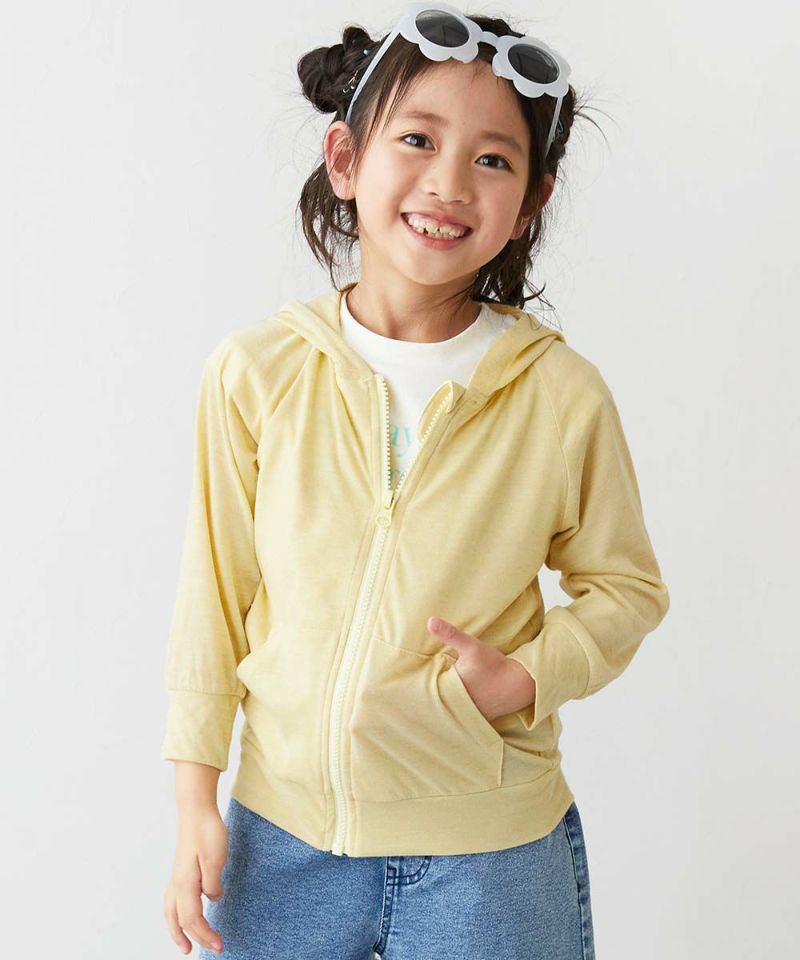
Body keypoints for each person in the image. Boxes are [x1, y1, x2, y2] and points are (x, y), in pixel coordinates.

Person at [160, 3, 670, 958]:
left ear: (530, 204)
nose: (449, 183)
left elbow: (627, 587)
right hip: (281, 842)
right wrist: (195, 800)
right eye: (418, 139)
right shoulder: (257, 372)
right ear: (345, 159)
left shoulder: (560, 395)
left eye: (493, 159)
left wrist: (529, 674)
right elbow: (213, 597)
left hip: (490, 857)